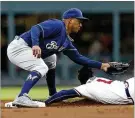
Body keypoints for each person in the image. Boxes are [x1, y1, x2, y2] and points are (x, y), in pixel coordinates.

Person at [7, 8, 110, 107]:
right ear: (70, 20)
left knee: (52, 58)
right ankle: (21, 96)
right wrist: (35, 44)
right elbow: (36, 28)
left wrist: (102, 65)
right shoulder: (57, 25)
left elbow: (79, 58)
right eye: (79, 21)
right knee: (41, 67)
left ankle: (53, 94)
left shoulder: (66, 41)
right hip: (19, 47)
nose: (81, 25)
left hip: (28, 50)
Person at [43, 67, 134, 106]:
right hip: (129, 84)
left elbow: (63, 94)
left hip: (129, 93)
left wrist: (46, 102)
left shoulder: (85, 88)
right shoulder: (97, 79)